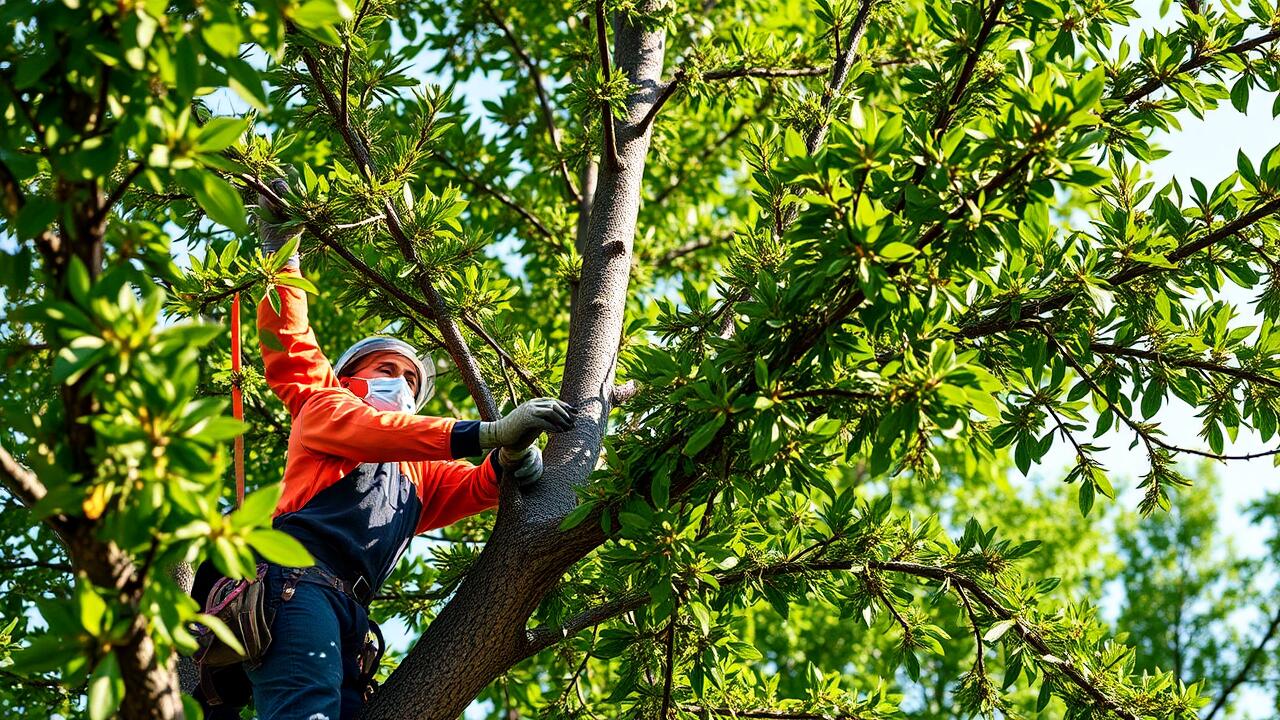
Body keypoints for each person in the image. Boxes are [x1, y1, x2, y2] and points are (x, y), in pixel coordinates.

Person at [194, 180, 575, 720]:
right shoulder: (326, 408)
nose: (400, 383)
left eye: (410, 380)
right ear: (351, 377)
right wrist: (282, 251)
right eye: (386, 370)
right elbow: (292, 339)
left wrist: (512, 457)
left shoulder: (418, 475)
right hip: (296, 587)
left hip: (349, 614)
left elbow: (475, 485)